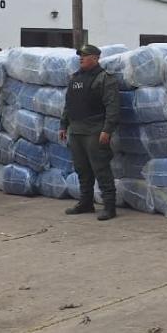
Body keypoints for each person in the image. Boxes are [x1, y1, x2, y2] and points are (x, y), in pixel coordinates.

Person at [60, 44, 120, 220]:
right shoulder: (75, 78)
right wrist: (63, 125)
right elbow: (69, 104)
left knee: (100, 168)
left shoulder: (105, 79)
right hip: (76, 130)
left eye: (85, 56)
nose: (81, 58)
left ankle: (109, 206)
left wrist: (107, 130)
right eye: (80, 55)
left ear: (95, 58)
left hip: (95, 130)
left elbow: (112, 106)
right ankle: (86, 202)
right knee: (82, 169)